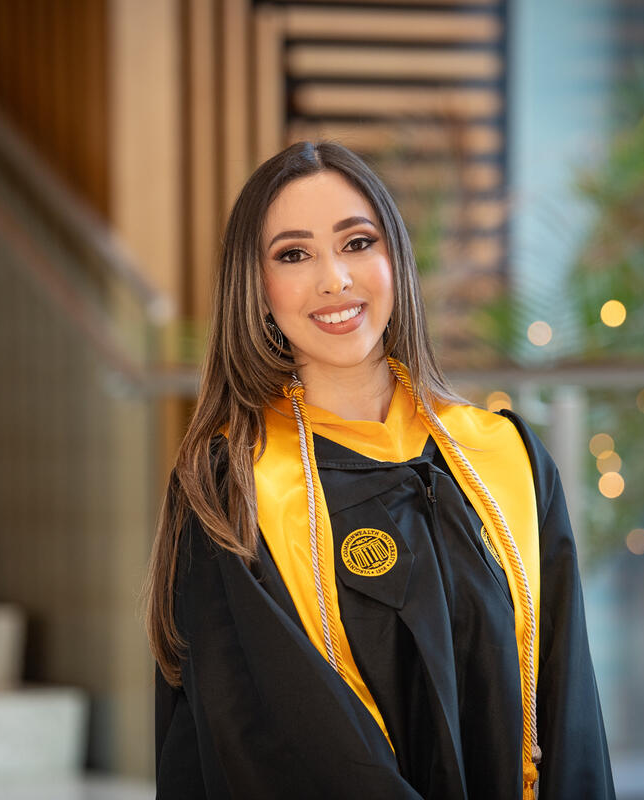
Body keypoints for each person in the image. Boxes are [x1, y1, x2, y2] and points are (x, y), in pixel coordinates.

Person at [145, 141, 614, 799]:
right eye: (293, 254)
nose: (334, 278)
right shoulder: (236, 489)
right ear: (257, 288)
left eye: (357, 242)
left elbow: (571, 721)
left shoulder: (504, 460)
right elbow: (276, 749)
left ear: (395, 257)